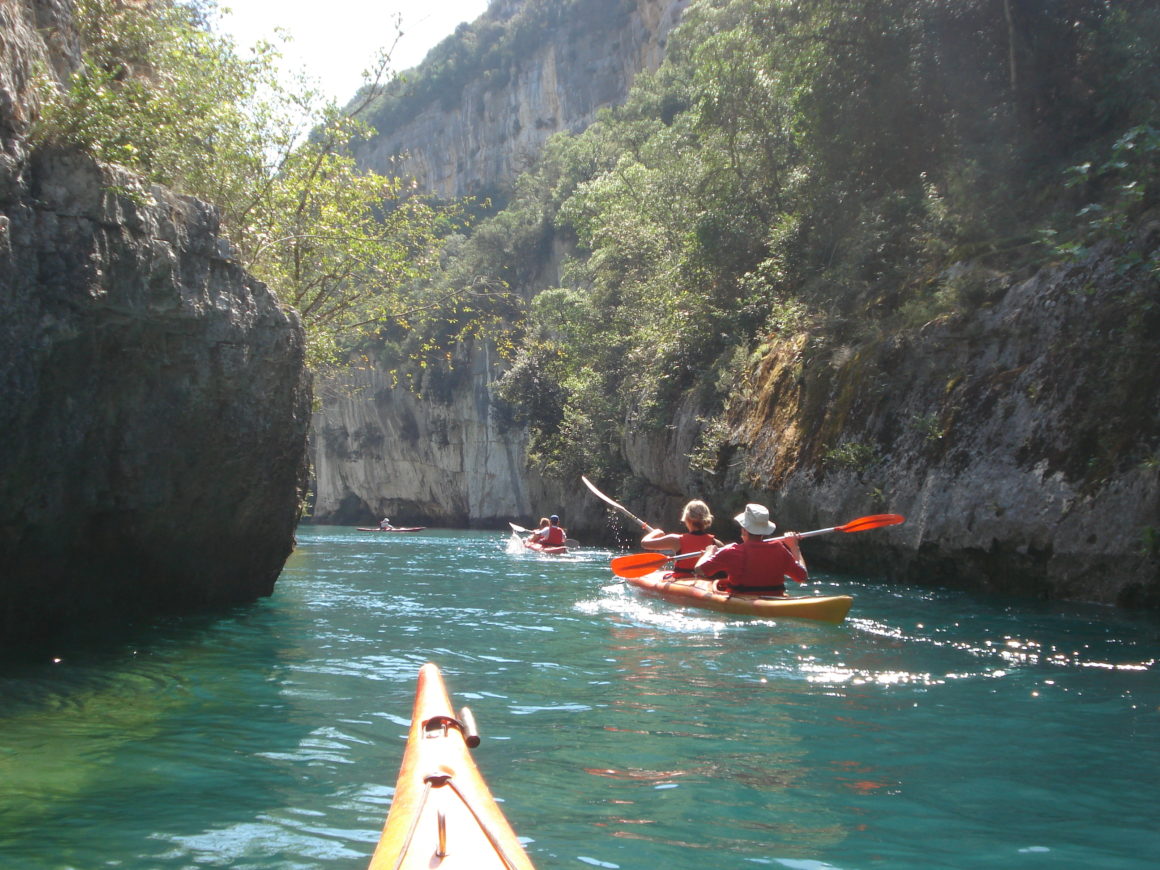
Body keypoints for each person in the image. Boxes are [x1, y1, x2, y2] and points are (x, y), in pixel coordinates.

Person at [693, 503, 806, 595]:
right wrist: (794, 547)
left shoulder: (732, 551)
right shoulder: (779, 549)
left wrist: (708, 553)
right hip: (774, 599)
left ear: (744, 530)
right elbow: (802, 577)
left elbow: (699, 570)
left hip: (741, 601)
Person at [640, 499, 723, 578]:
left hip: (682, 580)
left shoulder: (675, 540)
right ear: (706, 520)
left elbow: (644, 543)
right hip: (706, 583)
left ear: (686, 518)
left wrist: (657, 532)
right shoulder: (716, 543)